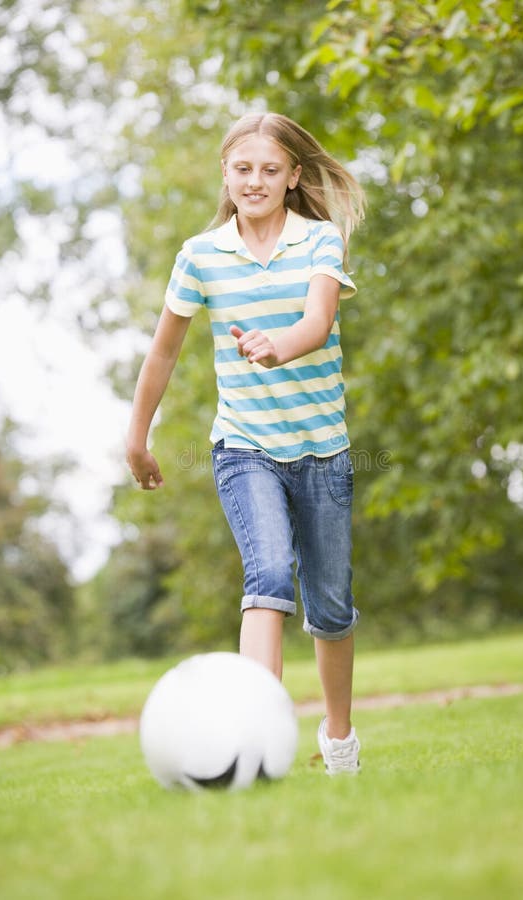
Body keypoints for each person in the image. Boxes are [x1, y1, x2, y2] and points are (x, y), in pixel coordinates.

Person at [126, 112, 365, 775]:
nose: (254, 180)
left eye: (269, 169)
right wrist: (137, 437)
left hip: (323, 449)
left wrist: (275, 344)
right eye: (242, 168)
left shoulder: (320, 240)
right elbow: (163, 355)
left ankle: (339, 742)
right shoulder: (200, 255)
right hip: (244, 445)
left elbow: (317, 321)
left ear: (293, 177)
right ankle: (261, 742)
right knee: (266, 574)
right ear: (225, 175)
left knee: (332, 608)